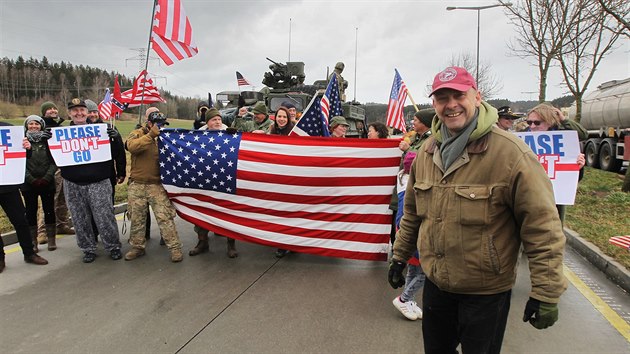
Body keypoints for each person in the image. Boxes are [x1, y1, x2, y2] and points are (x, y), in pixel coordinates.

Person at [389, 66, 567, 354]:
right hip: (437, 286)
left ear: (476, 96)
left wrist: (546, 292)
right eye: (442, 98)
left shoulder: (512, 154)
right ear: (434, 104)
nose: (451, 105)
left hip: (485, 293)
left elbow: (542, 227)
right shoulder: (427, 151)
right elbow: (412, 213)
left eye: (458, 95)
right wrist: (399, 257)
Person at [60, 98, 124, 263]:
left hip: (99, 181)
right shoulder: (61, 135)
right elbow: (54, 159)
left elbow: (117, 153)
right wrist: (47, 143)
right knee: (79, 218)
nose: (79, 113)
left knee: (104, 216)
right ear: (69, 113)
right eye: (75, 110)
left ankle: (113, 246)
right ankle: (88, 248)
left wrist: (115, 138)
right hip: (72, 182)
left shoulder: (102, 130)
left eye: (82, 110)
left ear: (87, 112)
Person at [124, 111, 184, 263]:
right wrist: (150, 135)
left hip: (156, 185)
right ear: (149, 123)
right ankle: (137, 247)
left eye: (163, 124)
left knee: (165, 217)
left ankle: (175, 248)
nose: (161, 127)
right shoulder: (137, 134)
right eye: (158, 124)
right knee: (137, 218)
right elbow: (132, 147)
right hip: (137, 184)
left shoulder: (165, 138)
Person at [188, 108, 239, 258]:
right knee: (203, 210)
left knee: (228, 211)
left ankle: (231, 244)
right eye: (213, 120)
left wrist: (235, 136)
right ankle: (202, 241)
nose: (217, 122)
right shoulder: (199, 137)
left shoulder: (230, 133)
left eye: (219, 119)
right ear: (208, 122)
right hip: (206, 179)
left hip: (226, 179)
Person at [0, 121, 49, 272]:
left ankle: (29, 253)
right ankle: (0, 258)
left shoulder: (8, 128)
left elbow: (21, 156)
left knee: (21, 221)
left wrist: (27, 149)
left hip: (8, 186)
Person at [526, 103, 587, 222]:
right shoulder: (521, 137)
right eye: (529, 122)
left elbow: (583, 134)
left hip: (554, 199)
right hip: (528, 197)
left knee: (554, 230)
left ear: (549, 122)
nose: (532, 126)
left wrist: (576, 167)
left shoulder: (563, 138)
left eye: (537, 122)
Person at [391, 151, 425, 321]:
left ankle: (409, 300)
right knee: (426, 271)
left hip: (403, 228)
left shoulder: (401, 178)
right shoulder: (413, 185)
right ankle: (404, 299)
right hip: (411, 230)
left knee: (414, 267)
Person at [20, 115, 57, 252]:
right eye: (31, 124)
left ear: (41, 125)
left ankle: (51, 239)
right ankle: (33, 241)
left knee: (49, 210)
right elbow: (19, 163)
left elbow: (55, 161)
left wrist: (47, 177)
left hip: (47, 181)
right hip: (29, 184)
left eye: (37, 124)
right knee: (30, 211)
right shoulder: (21, 141)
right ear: (26, 126)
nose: (34, 126)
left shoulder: (48, 140)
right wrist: (31, 179)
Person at [40, 101, 75, 236]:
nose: (53, 111)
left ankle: (62, 224)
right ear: (44, 112)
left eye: (54, 108)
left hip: (62, 165)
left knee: (63, 197)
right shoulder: (40, 126)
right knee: (49, 199)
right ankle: (43, 230)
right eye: (49, 109)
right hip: (48, 167)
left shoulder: (60, 126)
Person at [267, 107, 295, 258]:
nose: (282, 119)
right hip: (276, 179)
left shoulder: (294, 132)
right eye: (279, 116)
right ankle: (281, 244)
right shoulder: (271, 132)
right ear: (275, 117)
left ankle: (292, 244)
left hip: (291, 179)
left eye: (284, 116)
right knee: (279, 213)